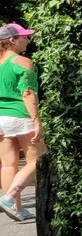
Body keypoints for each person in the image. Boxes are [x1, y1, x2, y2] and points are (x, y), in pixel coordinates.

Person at [0, 22, 44, 221]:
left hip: (1, 117)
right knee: (38, 159)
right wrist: (37, 121)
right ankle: (9, 197)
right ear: (12, 40)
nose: (28, 39)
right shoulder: (23, 62)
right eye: (24, 37)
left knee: (8, 164)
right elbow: (27, 93)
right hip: (21, 115)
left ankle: (16, 209)